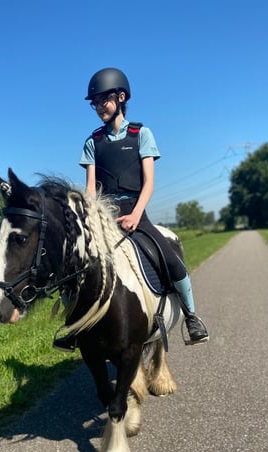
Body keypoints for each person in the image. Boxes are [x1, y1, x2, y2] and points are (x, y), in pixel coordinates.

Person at [53, 67, 208, 352]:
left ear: (121, 97)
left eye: (104, 100)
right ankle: (73, 326)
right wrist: (89, 218)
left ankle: (191, 316)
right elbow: (90, 188)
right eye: (95, 103)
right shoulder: (92, 142)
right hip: (104, 213)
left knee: (171, 261)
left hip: (136, 210)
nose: (99, 107)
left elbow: (149, 182)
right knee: (73, 267)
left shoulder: (141, 134)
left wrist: (137, 214)